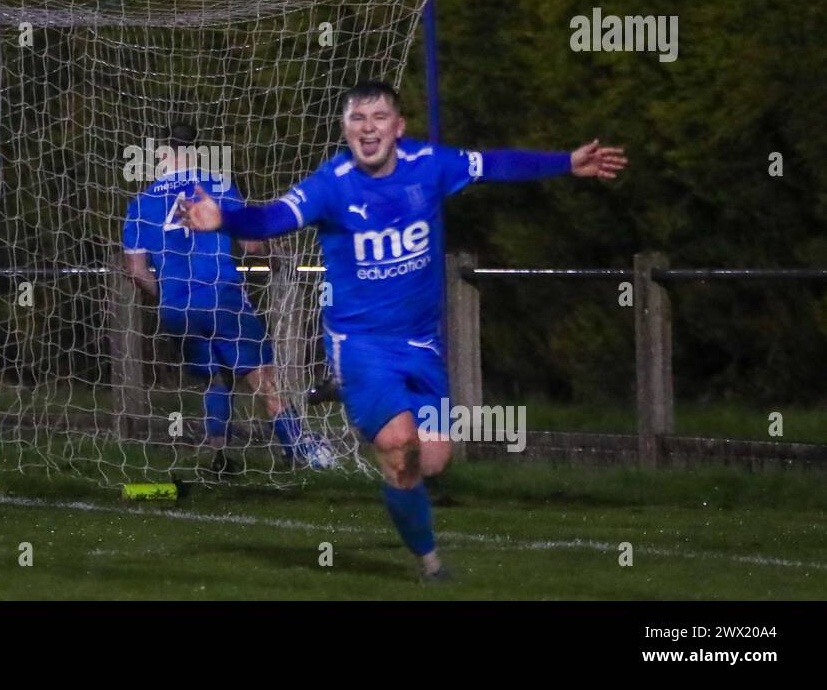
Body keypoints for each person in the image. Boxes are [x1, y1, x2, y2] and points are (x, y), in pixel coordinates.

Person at [178, 80, 627, 577]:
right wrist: (225, 219)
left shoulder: (429, 165)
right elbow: (272, 218)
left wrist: (566, 162)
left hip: (422, 343)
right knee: (398, 447)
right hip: (360, 343)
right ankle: (432, 565)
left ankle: (367, 422)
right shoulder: (332, 184)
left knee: (431, 460)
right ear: (345, 130)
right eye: (357, 119)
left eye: (378, 118)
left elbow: (493, 164)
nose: (368, 129)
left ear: (398, 126)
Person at [123, 122, 328, 473]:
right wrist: (273, 257)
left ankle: (218, 457)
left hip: (178, 308)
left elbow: (137, 271)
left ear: (160, 154)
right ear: (196, 151)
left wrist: (168, 295)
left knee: (216, 379)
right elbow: (250, 242)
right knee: (262, 377)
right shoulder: (216, 186)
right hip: (221, 296)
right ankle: (298, 449)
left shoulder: (142, 203)